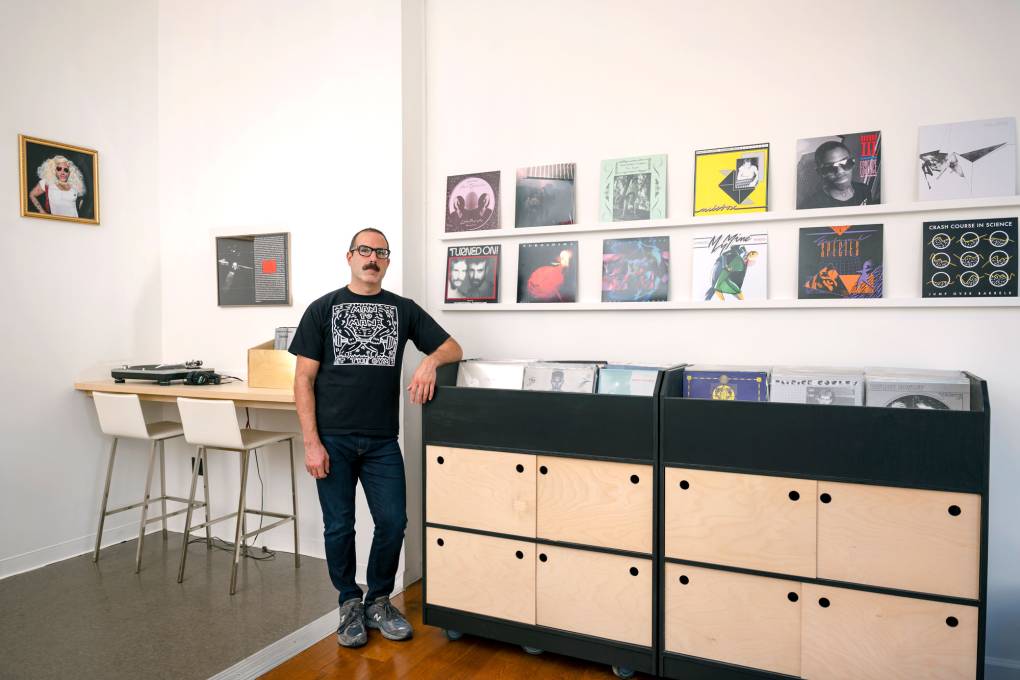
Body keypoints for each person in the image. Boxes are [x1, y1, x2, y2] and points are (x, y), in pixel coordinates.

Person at [289, 228, 463, 649]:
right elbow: (303, 379)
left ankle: (379, 599)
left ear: (387, 261)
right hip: (333, 439)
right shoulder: (322, 309)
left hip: (383, 440)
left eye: (381, 252)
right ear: (350, 256)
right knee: (339, 527)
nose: (373, 258)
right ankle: (349, 601)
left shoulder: (402, 310)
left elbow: (453, 347)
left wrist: (429, 363)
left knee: (392, 522)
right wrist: (312, 442)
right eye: (365, 250)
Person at [801, 141, 872, 208]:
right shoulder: (811, 206)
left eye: (846, 163)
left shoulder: (864, 190)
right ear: (820, 172)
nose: (840, 171)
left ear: (853, 163)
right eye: (829, 168)